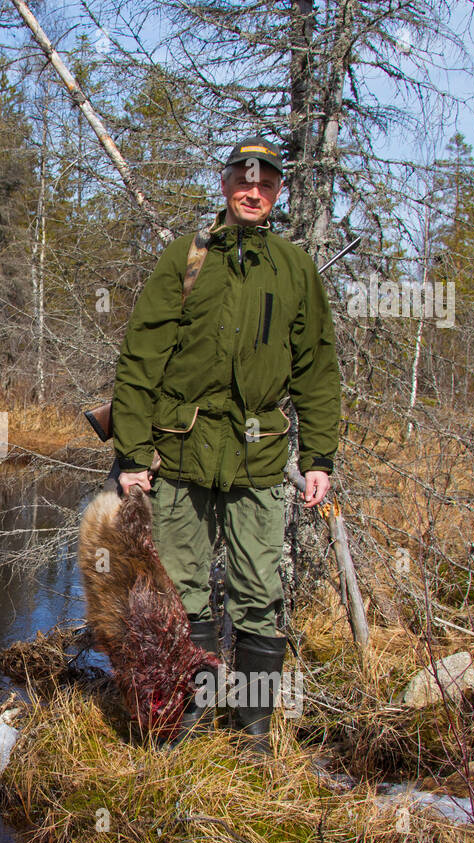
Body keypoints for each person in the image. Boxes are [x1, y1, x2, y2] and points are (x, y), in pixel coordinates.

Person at [109, 136, 341, 752]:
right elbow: (140, 360)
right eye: (244, 178)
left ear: (278, 191)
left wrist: (318, 457)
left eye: (265, 182)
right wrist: (132, 457)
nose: (253, 190)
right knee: (184, 595)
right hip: (181, 454)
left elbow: (317, 367)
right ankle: (195, 716)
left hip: (259, 458)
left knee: (259, 595)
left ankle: (253, 734)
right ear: (225, 184)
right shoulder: (186, 258)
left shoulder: (293, 269)